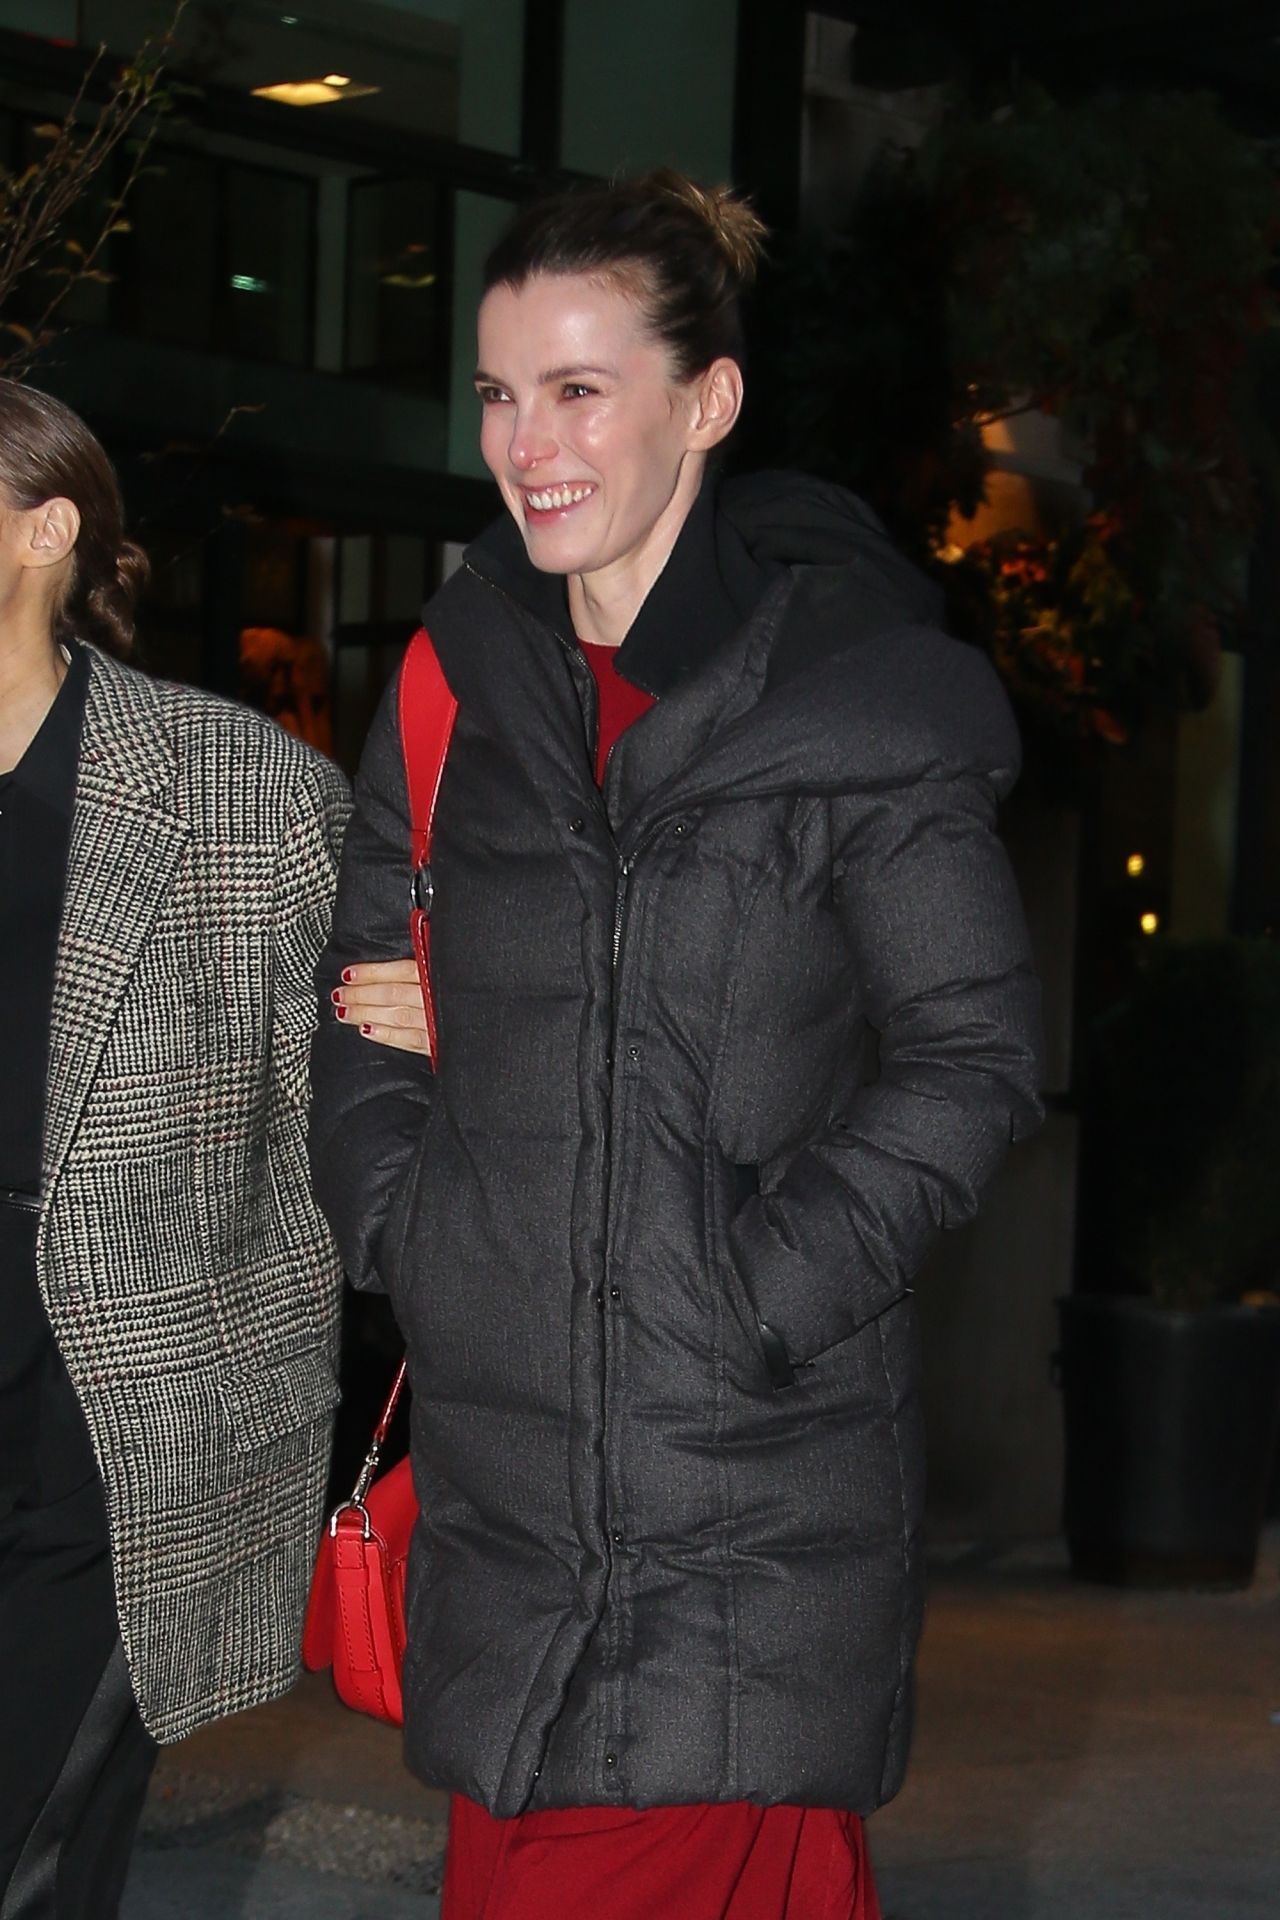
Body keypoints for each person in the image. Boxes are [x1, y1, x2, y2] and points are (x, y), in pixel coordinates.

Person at [311, 170, 1043, 1919]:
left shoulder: (854, 703)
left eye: (580, 388)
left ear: (704, 402)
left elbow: (972, 1052)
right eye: (500, 393)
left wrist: (758, 1291)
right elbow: (355, 1004)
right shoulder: (453, 689)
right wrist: (420, 1234)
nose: (528, 442)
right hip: (508, 1510)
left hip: (749, 1517)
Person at [0, 377, 412, 1918]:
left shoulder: (240, 795)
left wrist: (435, 1017)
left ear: (47, 530)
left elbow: (364, 1063)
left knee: (36, 1830)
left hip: (127, 1408)